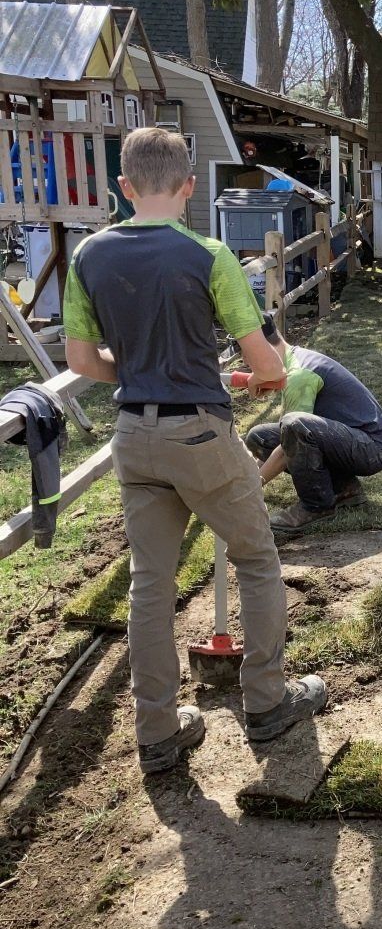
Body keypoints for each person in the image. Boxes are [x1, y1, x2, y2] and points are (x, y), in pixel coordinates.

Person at [61, 128, 328, 776]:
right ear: (188, 186)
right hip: (201, 437)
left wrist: (143, 372)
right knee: (257, 558)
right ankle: (267, 702)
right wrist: (255, 377)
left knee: (150, 584)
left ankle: (157, 734)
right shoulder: (207, 255)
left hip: (134, 435)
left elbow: (82, 361)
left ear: (124, 187)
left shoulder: (89, 256)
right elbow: (269, 364)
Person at [243, 314, 382, 535]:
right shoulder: (294, 359)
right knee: (259, 437)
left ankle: (315, 506)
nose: (245, 360)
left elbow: (287, 444)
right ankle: (343, 488)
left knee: (294, 425)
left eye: (246, 352)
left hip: (371, 448)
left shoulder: (299, 375)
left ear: (261, 348)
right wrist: (249, 480)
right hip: (355, 441)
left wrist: (249, 489)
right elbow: (287, 439)